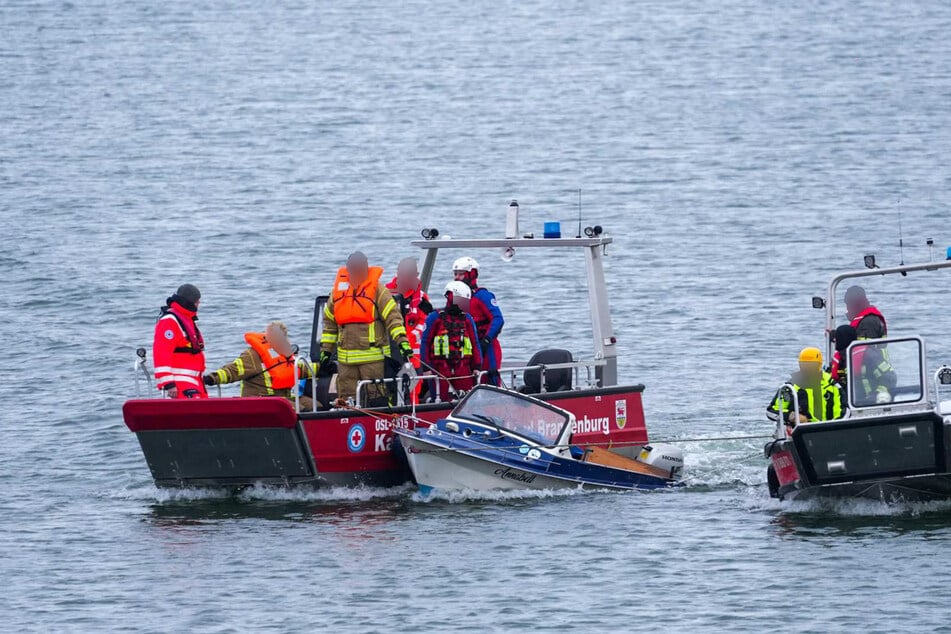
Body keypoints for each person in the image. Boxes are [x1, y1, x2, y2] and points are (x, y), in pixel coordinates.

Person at [320, 252, 411, 405]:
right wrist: (325, 351)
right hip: (345, 362)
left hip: (373, 360)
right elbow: (329, 324)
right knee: (347, 398)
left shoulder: (378, 292)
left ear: (366, 267)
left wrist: (402, 342)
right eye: (352, 268)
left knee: (375, 396)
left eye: (358, 268)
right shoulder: (337, 294)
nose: (355, 272)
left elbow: (393, 318)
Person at [203, 321, 314, 409]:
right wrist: (212, 378)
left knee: (315, 405)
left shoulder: (285, 354)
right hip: (260, 400)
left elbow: (301, 369)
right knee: (299, 409)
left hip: (283, 397)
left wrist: (322, 367)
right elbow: (233, 371)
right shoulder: (251, 355)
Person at [420, 281, 483, 402]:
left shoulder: (467, 319)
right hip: (439, 368)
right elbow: (425, 343)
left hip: (462, 367)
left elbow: (475, 343)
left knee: (468, 399)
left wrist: (477, 366)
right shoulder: (435, 317)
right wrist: (426, 368)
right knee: (439, 399)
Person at [386, 257, 433, 402]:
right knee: (389, 388)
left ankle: (413, 415)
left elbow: (424, 323)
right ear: (399, 273)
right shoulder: (385, 294)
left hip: (413, 356)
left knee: (413, 390)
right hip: (391, 354)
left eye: (413, 275)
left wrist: (409, 337)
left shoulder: (421, 298)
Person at [453, 256, 504, 385]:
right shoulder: (457, 299)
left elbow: (498, 319)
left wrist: (486, 340)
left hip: (487, 348)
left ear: (471, 274)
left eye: (460, 274)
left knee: (490, 380)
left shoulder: (483, 296)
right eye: (455, 274)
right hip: (466, 350)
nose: (456, 277)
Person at [767, 347, 844, 428]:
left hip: (827, 431)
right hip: (800, 432)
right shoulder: (790, 387)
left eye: (812, 366)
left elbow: (842, 412)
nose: (808, 369)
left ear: (819, 365)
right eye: (804, 365)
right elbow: (771, 411)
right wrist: (793, 416)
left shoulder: (832, 385)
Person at [153, 283, 207, 399]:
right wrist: (168, 383)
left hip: (194, 383)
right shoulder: (169, 321)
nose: (199, 304)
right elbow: (161, 353)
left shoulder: (186, 319)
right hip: (180, 385)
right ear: (190, 301)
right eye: (197, 301)